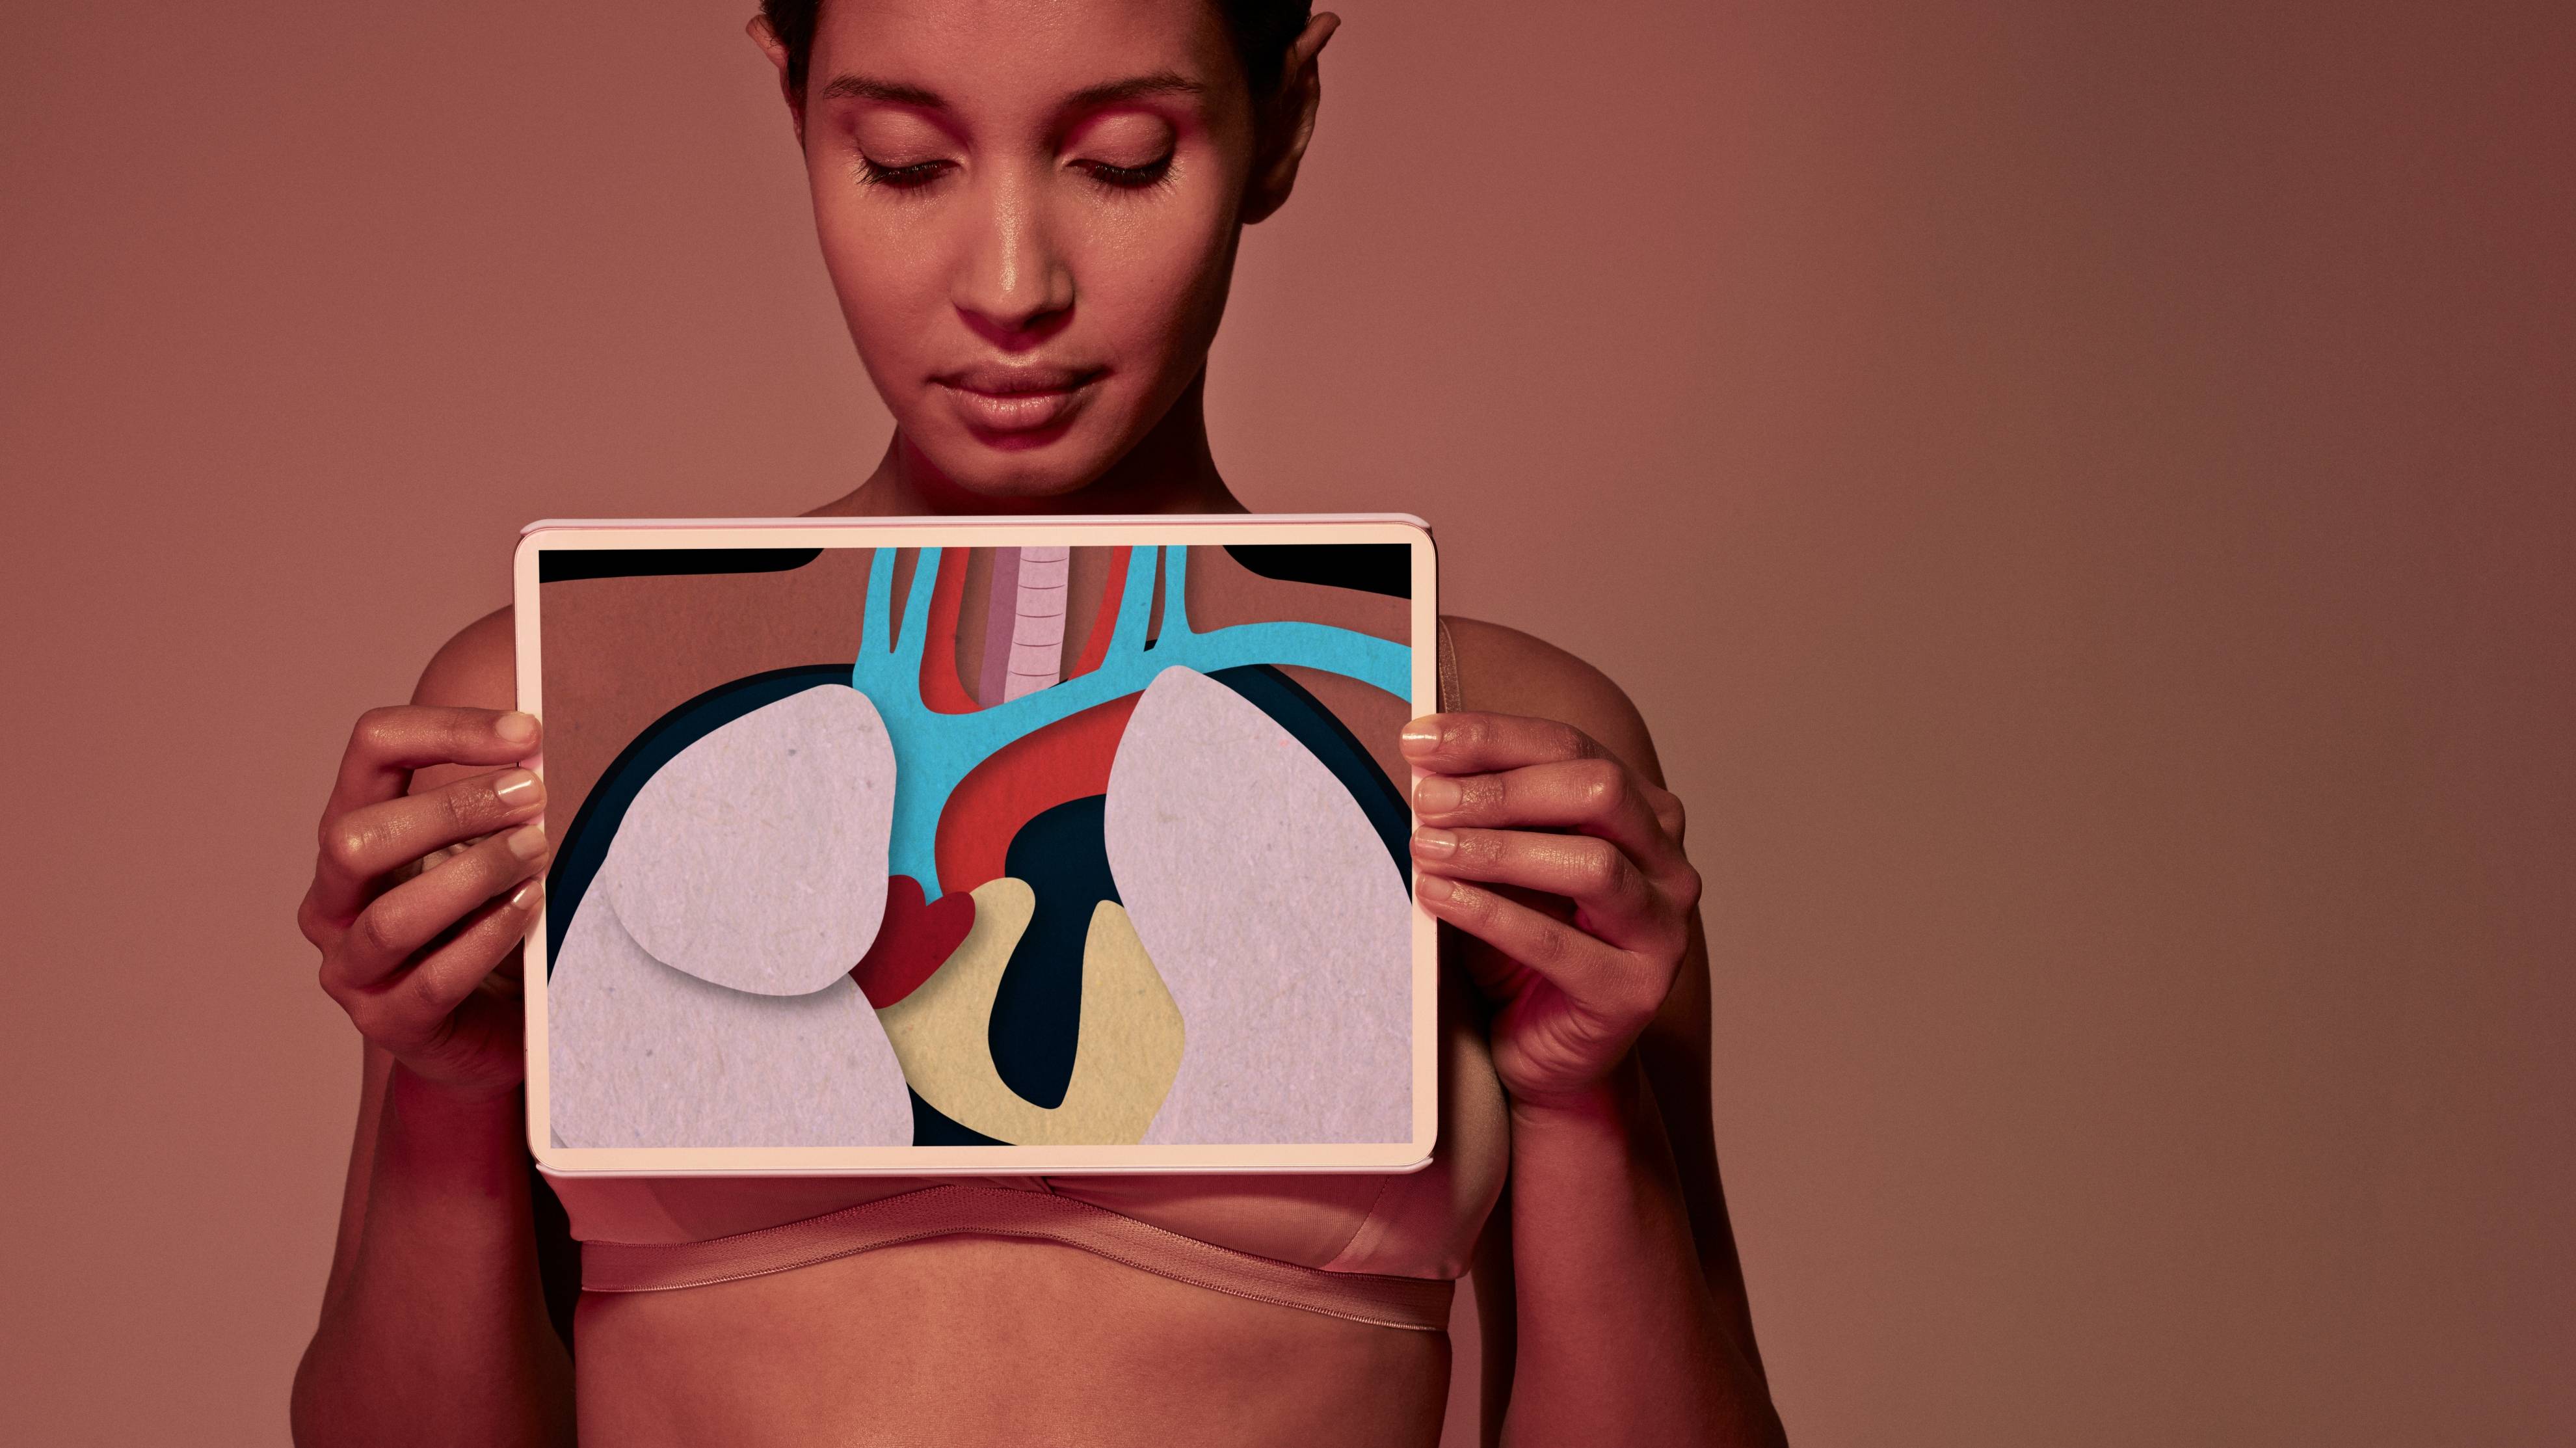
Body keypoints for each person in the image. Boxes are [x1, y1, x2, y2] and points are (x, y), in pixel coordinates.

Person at [288, 2, 1787, 1443]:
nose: (1010, 284)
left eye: (1125, 158)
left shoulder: (1500, 747)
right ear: (792, 106)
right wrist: (448, 1089)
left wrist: (1586, 1103)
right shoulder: (557, 705)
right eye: (902, 161)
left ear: (1283, 119)